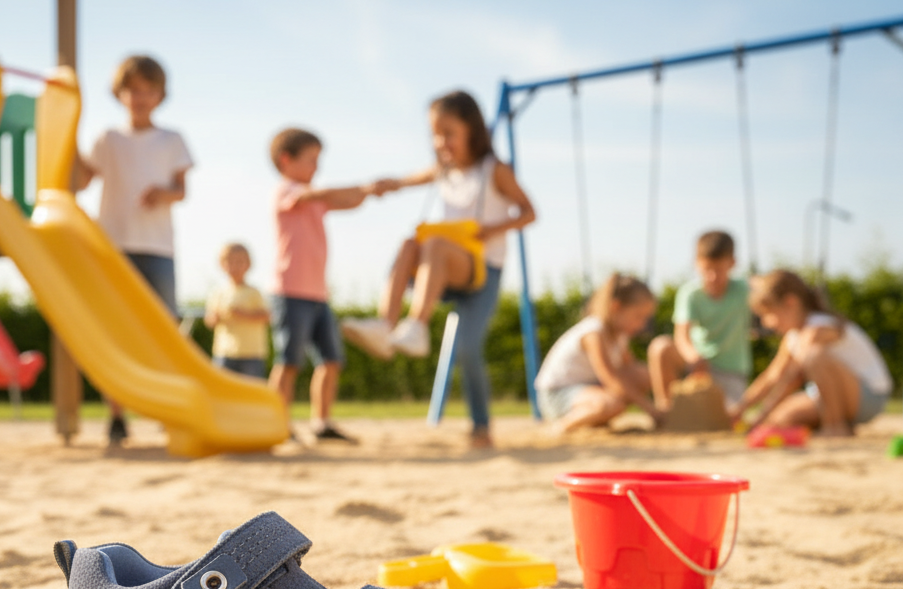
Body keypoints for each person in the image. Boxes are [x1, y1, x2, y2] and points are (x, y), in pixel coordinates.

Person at [341, 90, 536, 449]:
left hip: (480, 269)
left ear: (472, 130)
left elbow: (529, 211)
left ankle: (479, 424)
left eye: (448, 132)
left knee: (468, 349)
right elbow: (405, 181)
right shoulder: (443, 172)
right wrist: (385, 184)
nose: (440, 142)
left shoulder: (495, 170)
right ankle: (386, 325)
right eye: (435, 134)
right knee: (410, 243)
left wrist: (491, 229)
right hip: (442, 270)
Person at [75, 54, 194, 445]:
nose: (140, 97)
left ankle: (166, 408)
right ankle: (116, 415)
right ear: (119, 94)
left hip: (157, 247)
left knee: (164, 332)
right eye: (133, 90)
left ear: (160, 95)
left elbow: (182, 190)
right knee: (115, 332)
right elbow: (80, 179)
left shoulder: (171, 139)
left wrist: (165, 193)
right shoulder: (107, 140)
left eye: (148, 90)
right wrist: (65, 133)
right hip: (113, 248)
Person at [268, 127, 389, 443]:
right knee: (288, 362)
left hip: (318, 294)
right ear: (286, 160)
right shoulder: (286, 192)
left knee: (331, 361)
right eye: (311, 160)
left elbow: (346, 202)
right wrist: (360, 186)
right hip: (290, 291)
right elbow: (318, 194)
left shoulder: (315, 200)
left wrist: (368, 192)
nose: (316, 168)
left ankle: (321, 423)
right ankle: (275, 422)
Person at [731, 269, 892, 436]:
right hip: (828, 397)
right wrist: (739, 409)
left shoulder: (819, 327)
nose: (767, 323)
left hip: (868, 395)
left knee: (813, 356)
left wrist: (760, 416)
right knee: (780, 419)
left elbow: (792, 378)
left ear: (790, 303)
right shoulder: (793, 336)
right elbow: (772, 375)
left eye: (769, 314)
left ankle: (835, 426)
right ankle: (833, 426)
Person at [534, 274, 660, 431]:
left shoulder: (620, 336)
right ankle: (562, 425)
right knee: (611, 403)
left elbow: (631, 368)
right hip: (557, 394)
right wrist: (651, 409)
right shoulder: (593, 332)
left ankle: (596, 418)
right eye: (638, 316)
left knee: (644, 375)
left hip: (588, 388)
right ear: (616, 307)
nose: (642, 324)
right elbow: (610, 378)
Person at [648, 230, 751, 412]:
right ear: (696, 264)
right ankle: (666, 410)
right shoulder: (690, 293)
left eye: (719, 270)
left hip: (731, 371)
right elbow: (681, 336)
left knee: (728, 415)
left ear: (732, 264)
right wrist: (693, 357)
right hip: (697, 365)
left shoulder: (744, 290)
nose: (712, 277)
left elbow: (771, 289)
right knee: (660, 347)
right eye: (707, 269)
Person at [204, 243, 269, 379]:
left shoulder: (254, 292)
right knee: (222, 390)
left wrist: (242, 314)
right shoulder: (218, 293)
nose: (234, 266)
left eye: (239, 262)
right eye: (230, 262)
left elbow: (266, 316)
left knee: (252, 392)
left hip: (251, 353)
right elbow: (209, 320)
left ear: (248, 265)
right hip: (224, 352)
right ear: (222, 265)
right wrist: (216, 317)